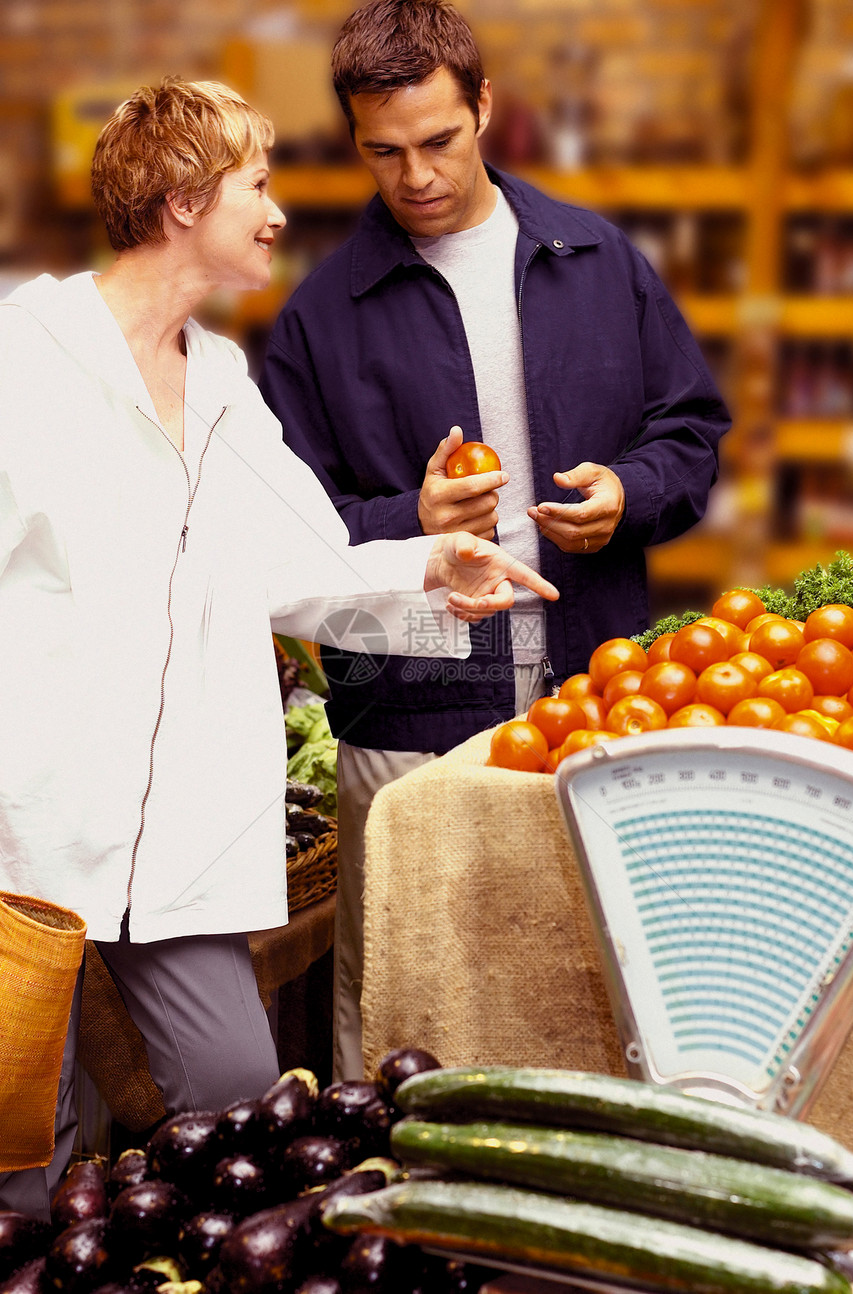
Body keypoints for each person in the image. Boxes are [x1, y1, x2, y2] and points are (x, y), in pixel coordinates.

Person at [0, 75, 557, 1219]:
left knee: (245, 1109)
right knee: (19, 1155)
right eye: (257, 184)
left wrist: (429, 566)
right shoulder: (27, 360)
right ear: (182, 198)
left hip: (181, 841)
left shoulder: (223, 381)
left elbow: (295, 559)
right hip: (28, 835)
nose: (278, 212)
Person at [259, 0, 732, 1082]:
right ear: (353, 140)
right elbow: (281, 531)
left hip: (592, 693)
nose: (414, 175)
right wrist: (406, 524)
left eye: (438, 141)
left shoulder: (593, 257)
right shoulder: (320, 316)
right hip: (409, 714)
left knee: (587, 985)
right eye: (382, 153)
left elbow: (690, 429)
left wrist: (632, 488)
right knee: (400, 1000)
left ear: (483, 106)